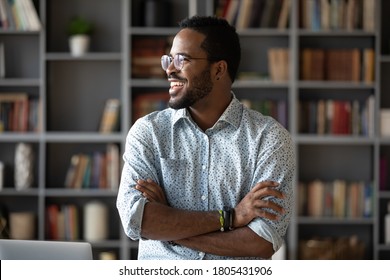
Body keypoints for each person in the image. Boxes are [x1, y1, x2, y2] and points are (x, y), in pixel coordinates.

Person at [117, 15, 295, 260]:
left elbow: (260, 242)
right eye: (169, 59)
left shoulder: (270, 139)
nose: (169, 69)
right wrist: (231, 217)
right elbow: (137, 221)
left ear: (218, 69)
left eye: (182, 59)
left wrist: (168, 223)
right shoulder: (148, 132)